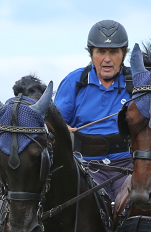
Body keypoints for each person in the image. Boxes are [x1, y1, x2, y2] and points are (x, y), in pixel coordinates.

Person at [55, 20, 134, 201]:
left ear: (123, 54)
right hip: (86, 166)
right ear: (91, 54)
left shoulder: (137, 82)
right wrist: (63, 129)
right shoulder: (74, 81)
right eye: (101, 52)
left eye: (114, 52)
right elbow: (55, 124)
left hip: (128, 165)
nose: (107, 59)